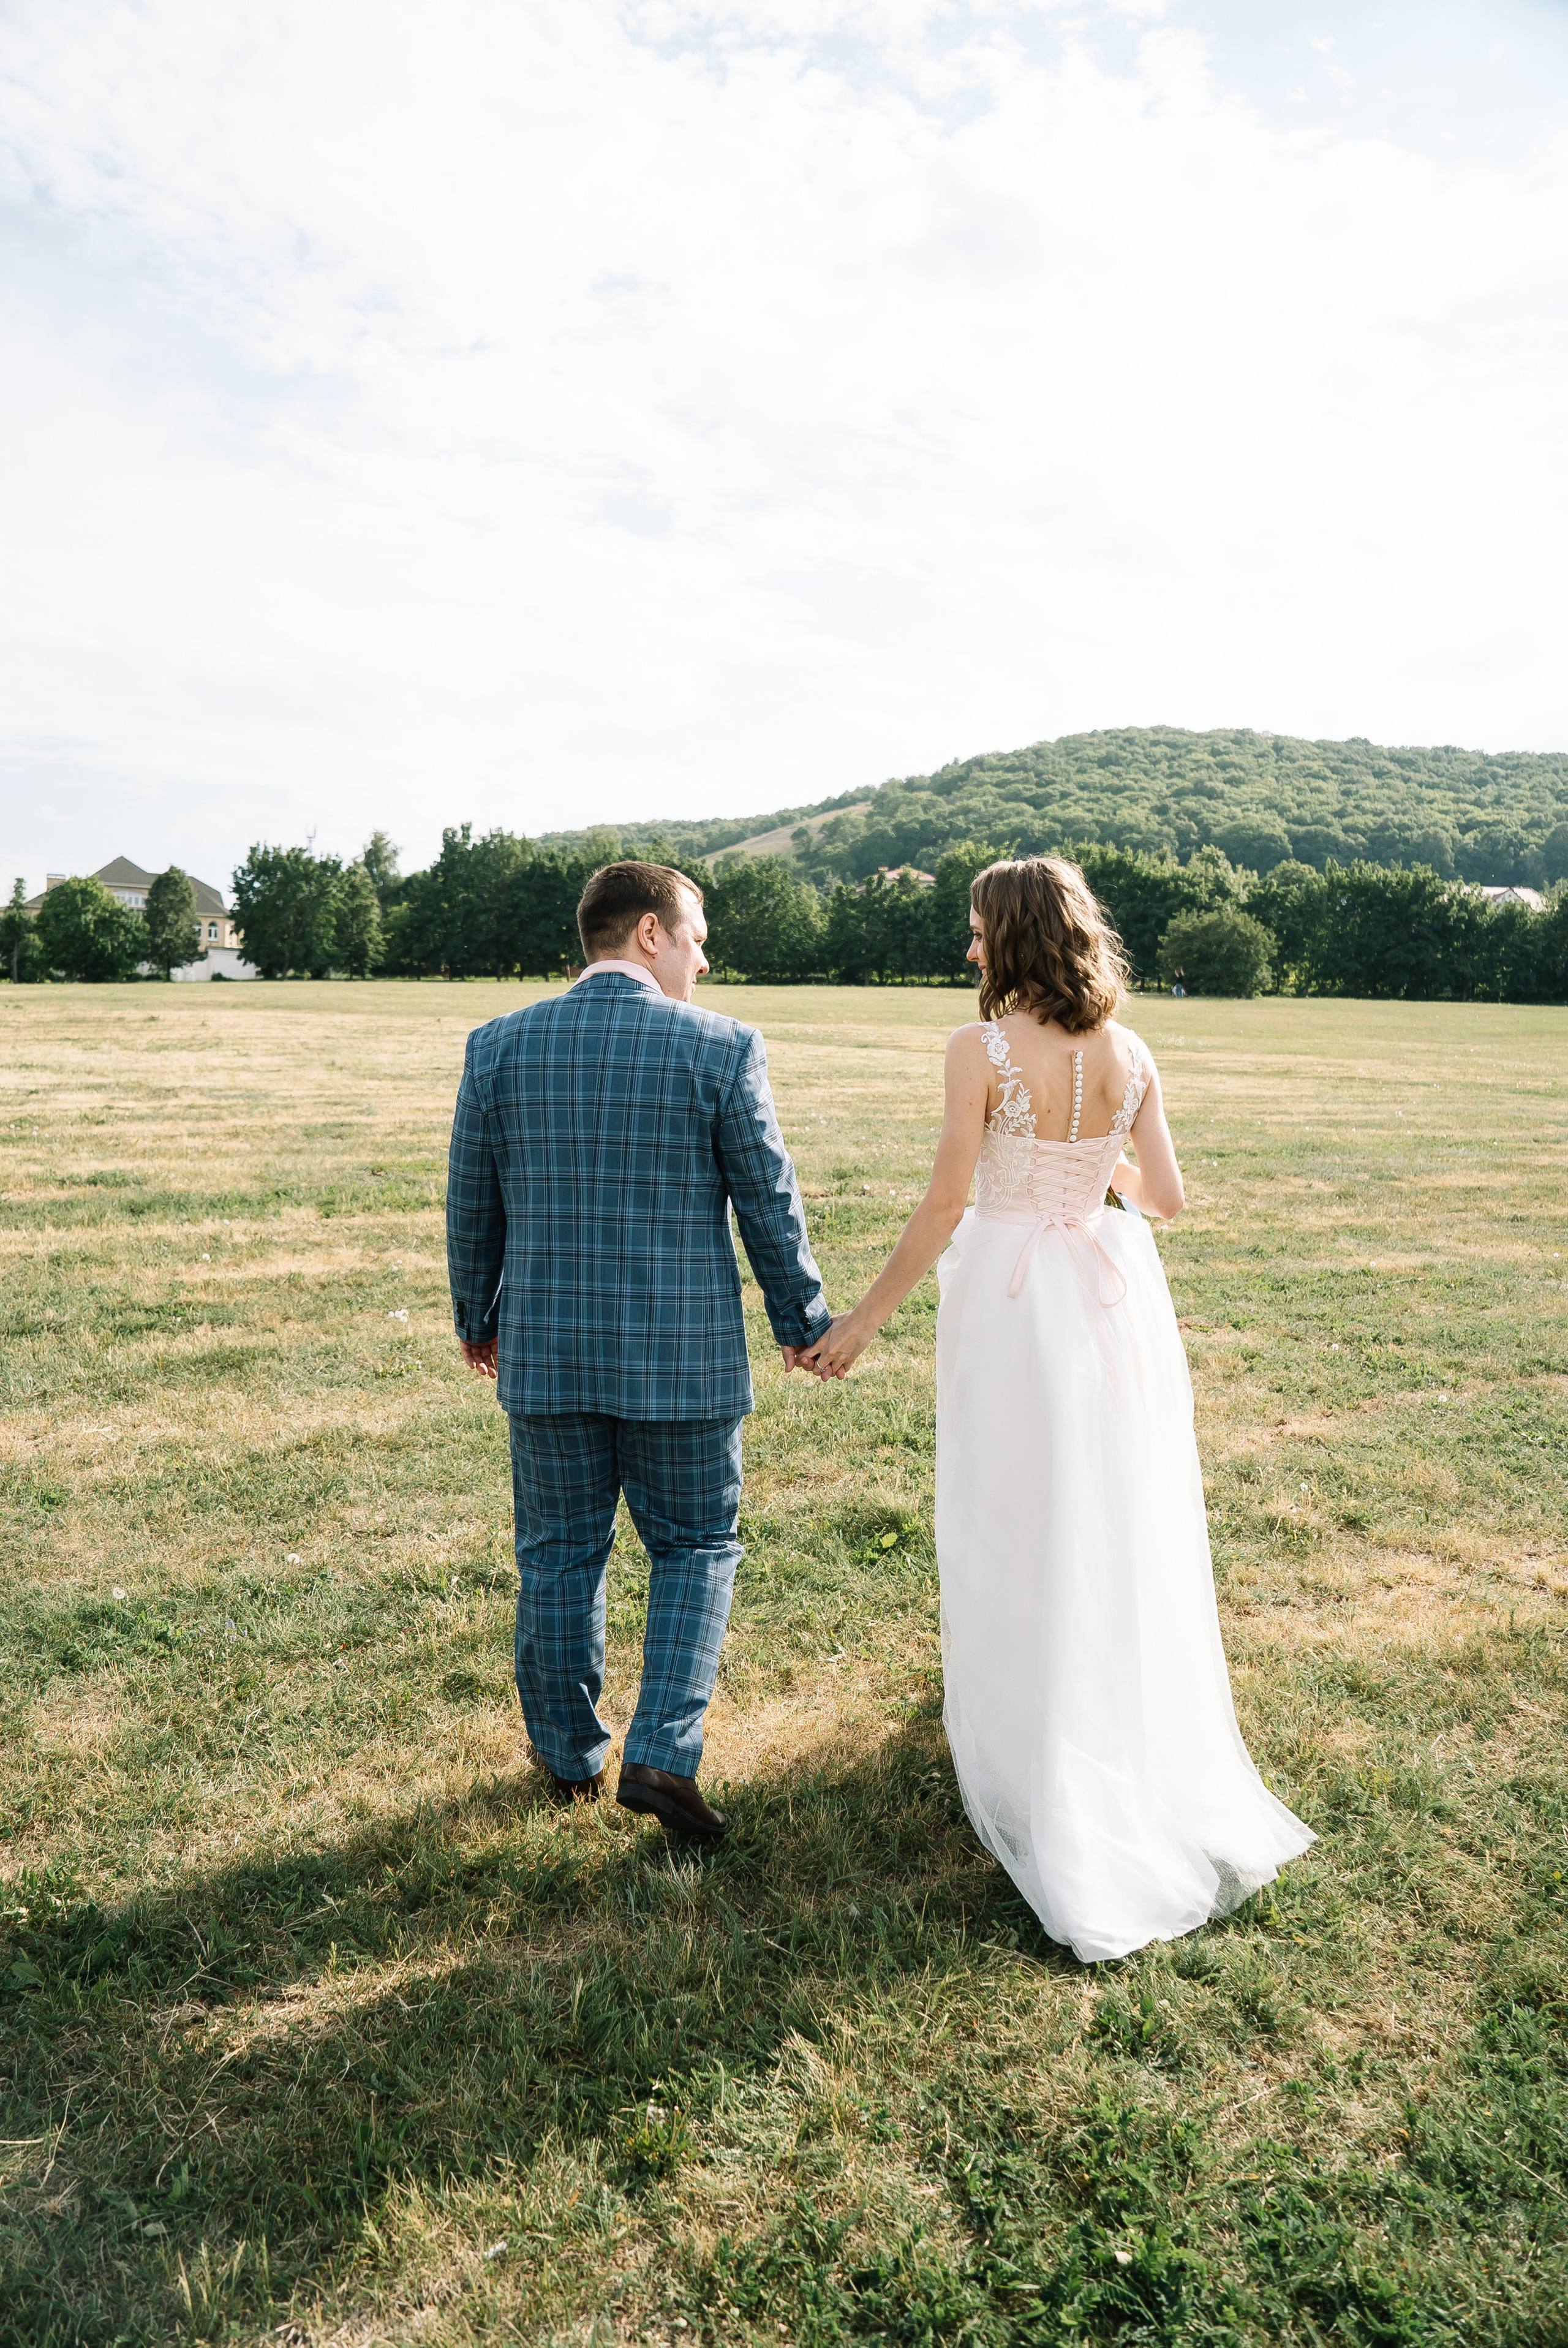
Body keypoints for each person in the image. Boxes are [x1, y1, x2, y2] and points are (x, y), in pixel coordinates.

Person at [799, 856, 1313, 1962]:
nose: (971, 949)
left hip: (1010, 1299)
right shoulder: (1131, 1051)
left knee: (1011, 1510)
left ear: (1018, 937)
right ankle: (1107, 1717)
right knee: (1107, 1512)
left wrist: (862, 1323)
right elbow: (1166, 1196)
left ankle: (1035, 1743)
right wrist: (1095, 1179)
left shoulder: (977, 1050)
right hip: (1107, 1299)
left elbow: (947, 1201)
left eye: (980, 931)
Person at [446, 861, 832, 1842]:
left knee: (557, 1553)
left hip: (548, 1351)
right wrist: (801, 1318)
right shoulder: (722, 1048)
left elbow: (470, 1204)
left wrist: (475, 1315)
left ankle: (570, 1756)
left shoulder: (496, 1048)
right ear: (650, 934)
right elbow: (768, 1201)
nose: (706, 955)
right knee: (697, 1546)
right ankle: (662, 1751)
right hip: (685, 1359)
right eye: (697, 935)